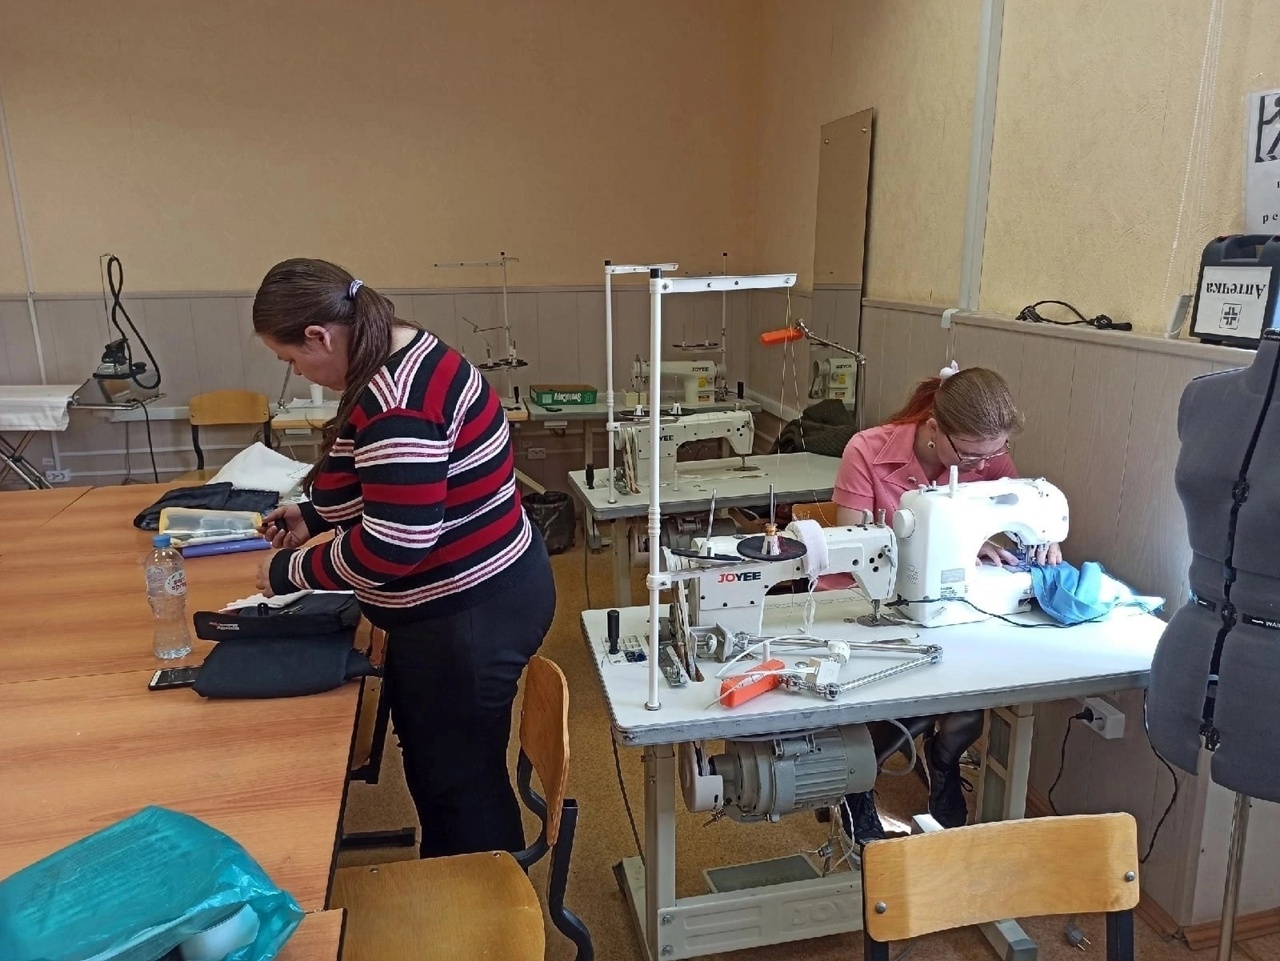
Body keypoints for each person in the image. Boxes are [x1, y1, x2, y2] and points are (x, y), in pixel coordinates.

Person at [250, 258, 555, 859]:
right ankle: (467, 886)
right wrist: (314, 516)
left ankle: (482, 903)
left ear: (319, 335)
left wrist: (290, 572)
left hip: (467, 616)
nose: (296, 372)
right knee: (449, 769)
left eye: (290, 359)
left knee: (459, 785)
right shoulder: (402, 348)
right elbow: (401, 482)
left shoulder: (396, 402)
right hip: (483, 592)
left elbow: (394, 544)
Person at [831, 363, 1061, 844]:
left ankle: (944, 758)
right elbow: (852, 550)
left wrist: (1040, 541)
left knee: (973, 685)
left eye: (996, 453)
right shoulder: (867, 451)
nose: (983, 466)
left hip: (944, 603)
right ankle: (857, 783)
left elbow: (1012, 514)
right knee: (896, 687)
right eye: (972, 455)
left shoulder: (986, 456)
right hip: (866, 601)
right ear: (934, 429)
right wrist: (939, 548)